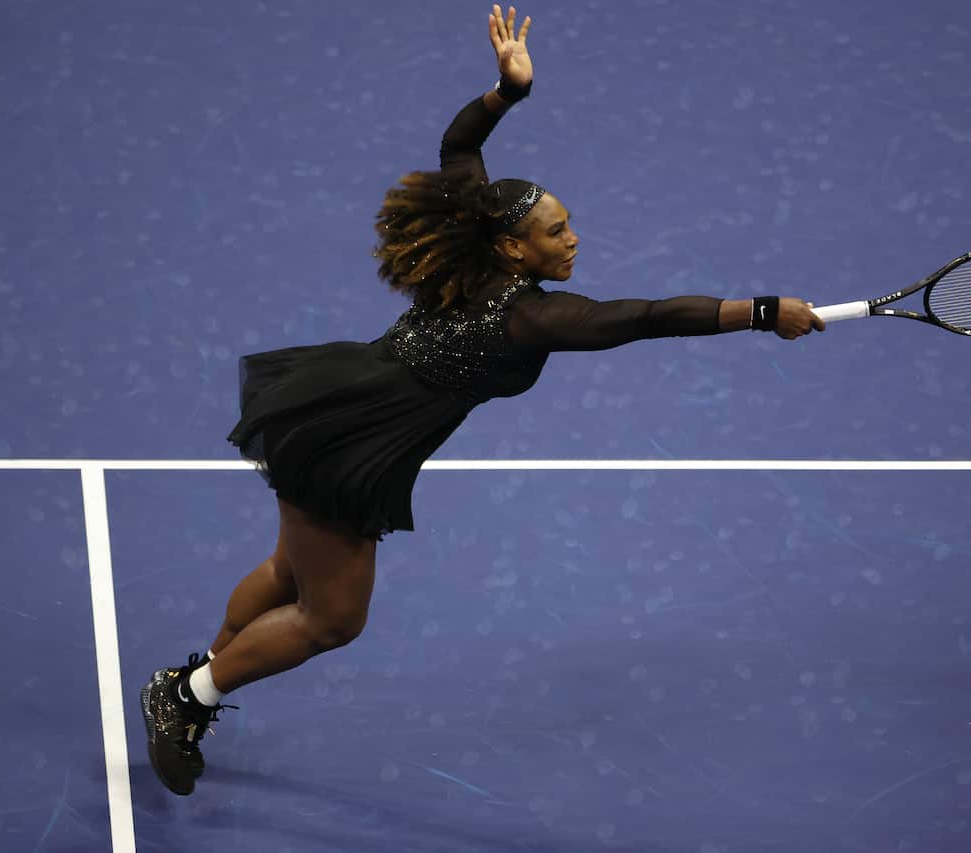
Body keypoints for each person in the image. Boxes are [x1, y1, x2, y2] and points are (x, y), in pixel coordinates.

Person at [140, 4, 824, 796]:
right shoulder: (529, 316)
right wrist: (765, 313)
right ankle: (187, 694)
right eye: (557, 233)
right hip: (352, 441)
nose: (573, 241)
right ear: (513, 245)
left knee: (292, 566)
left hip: (328, 405)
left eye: (570, 228)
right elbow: (642, 318)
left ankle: (200, 681)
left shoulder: (477, 237)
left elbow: (458, 146)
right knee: (332, 618)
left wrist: (507, 92)